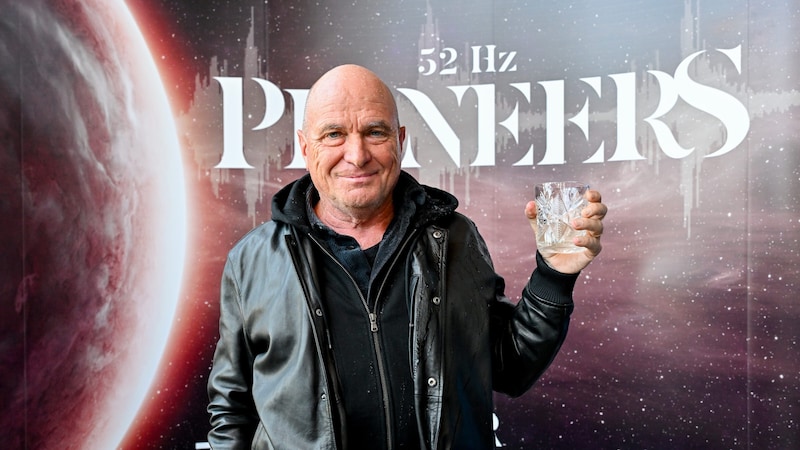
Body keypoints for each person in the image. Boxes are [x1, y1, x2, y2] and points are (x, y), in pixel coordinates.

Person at [207, 64, 607, 450]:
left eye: (374, 132)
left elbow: (511, 365)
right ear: (305, 146)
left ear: (400, 139)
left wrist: (554, 275)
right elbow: (231, 408)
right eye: (334, 134)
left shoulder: (453, 237)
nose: (357, 154)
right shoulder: (252, 260)